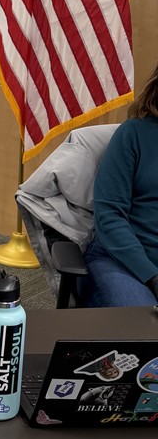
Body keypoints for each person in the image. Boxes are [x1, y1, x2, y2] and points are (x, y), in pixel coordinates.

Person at [81, 63, 158, 307]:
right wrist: (152, 276)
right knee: (144, 330)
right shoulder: (133, 134)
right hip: (120, 258)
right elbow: (110, 218)